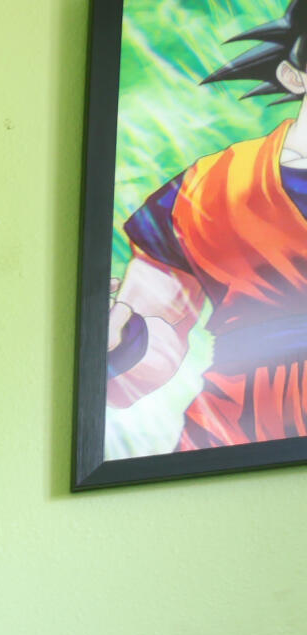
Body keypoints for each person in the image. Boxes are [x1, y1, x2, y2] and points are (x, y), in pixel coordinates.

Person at [110, 0, 307, 446]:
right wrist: (123, 341)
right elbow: (157, 332)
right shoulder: (208, 186)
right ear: (294, 74)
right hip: (235, 434)